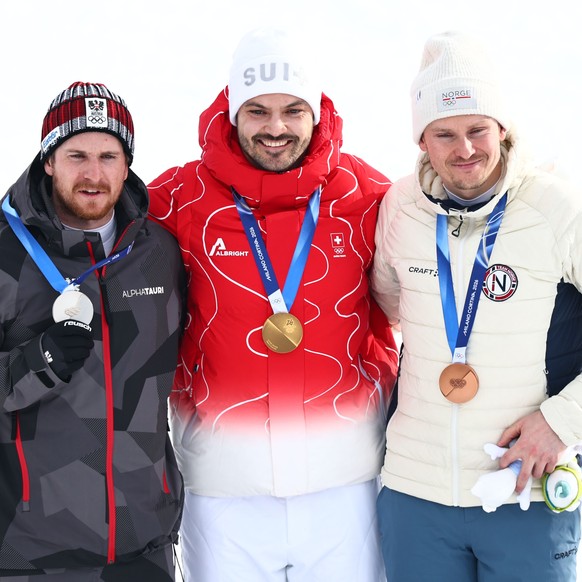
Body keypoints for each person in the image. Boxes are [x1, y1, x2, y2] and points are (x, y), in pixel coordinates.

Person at [148, 27, 399, 582]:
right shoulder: (178, 197)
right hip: (223, 488)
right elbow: (85, 229)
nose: (276, 128)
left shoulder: (369, 195)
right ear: (233, 112)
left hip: (346, 483)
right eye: (257, 111)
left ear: (317, 111)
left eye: (292, 110)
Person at [371, 31, 582, 582]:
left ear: (502, 128)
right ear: (421, 138)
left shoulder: (554, 208)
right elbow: (383, 311)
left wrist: (562, 421)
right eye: (444, 134)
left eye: (476, 130)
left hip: (525, 489)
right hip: (416, 495)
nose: (464, 150)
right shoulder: (399, 209)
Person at [0, 82, 185, 581]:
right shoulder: (4, 253)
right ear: (48, 161)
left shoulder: (160, 254)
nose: (93, 174)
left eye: (109, 156)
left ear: (127, 166)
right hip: (29, 550)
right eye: (76, 154)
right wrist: (36, 362)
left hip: (143, 544)